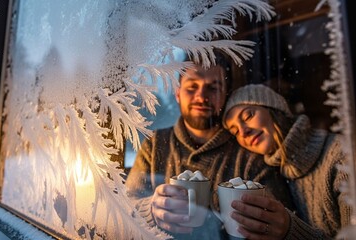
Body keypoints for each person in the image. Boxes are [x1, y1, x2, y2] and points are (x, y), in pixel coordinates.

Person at [125, 57, 295, 239]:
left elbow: (276, 219)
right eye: (192, 87)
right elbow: (126, 206)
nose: (201, 97)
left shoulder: (248, 147)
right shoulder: (155, 144)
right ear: (177, 93)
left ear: (225, 95)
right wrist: (149, 209)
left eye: (213, 88)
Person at [222, 84, 351, 239]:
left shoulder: (343, 157)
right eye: (235, 131)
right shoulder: (275, 173)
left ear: (275, 110)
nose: (243, 132)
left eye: (248, 116)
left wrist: (290, 230)